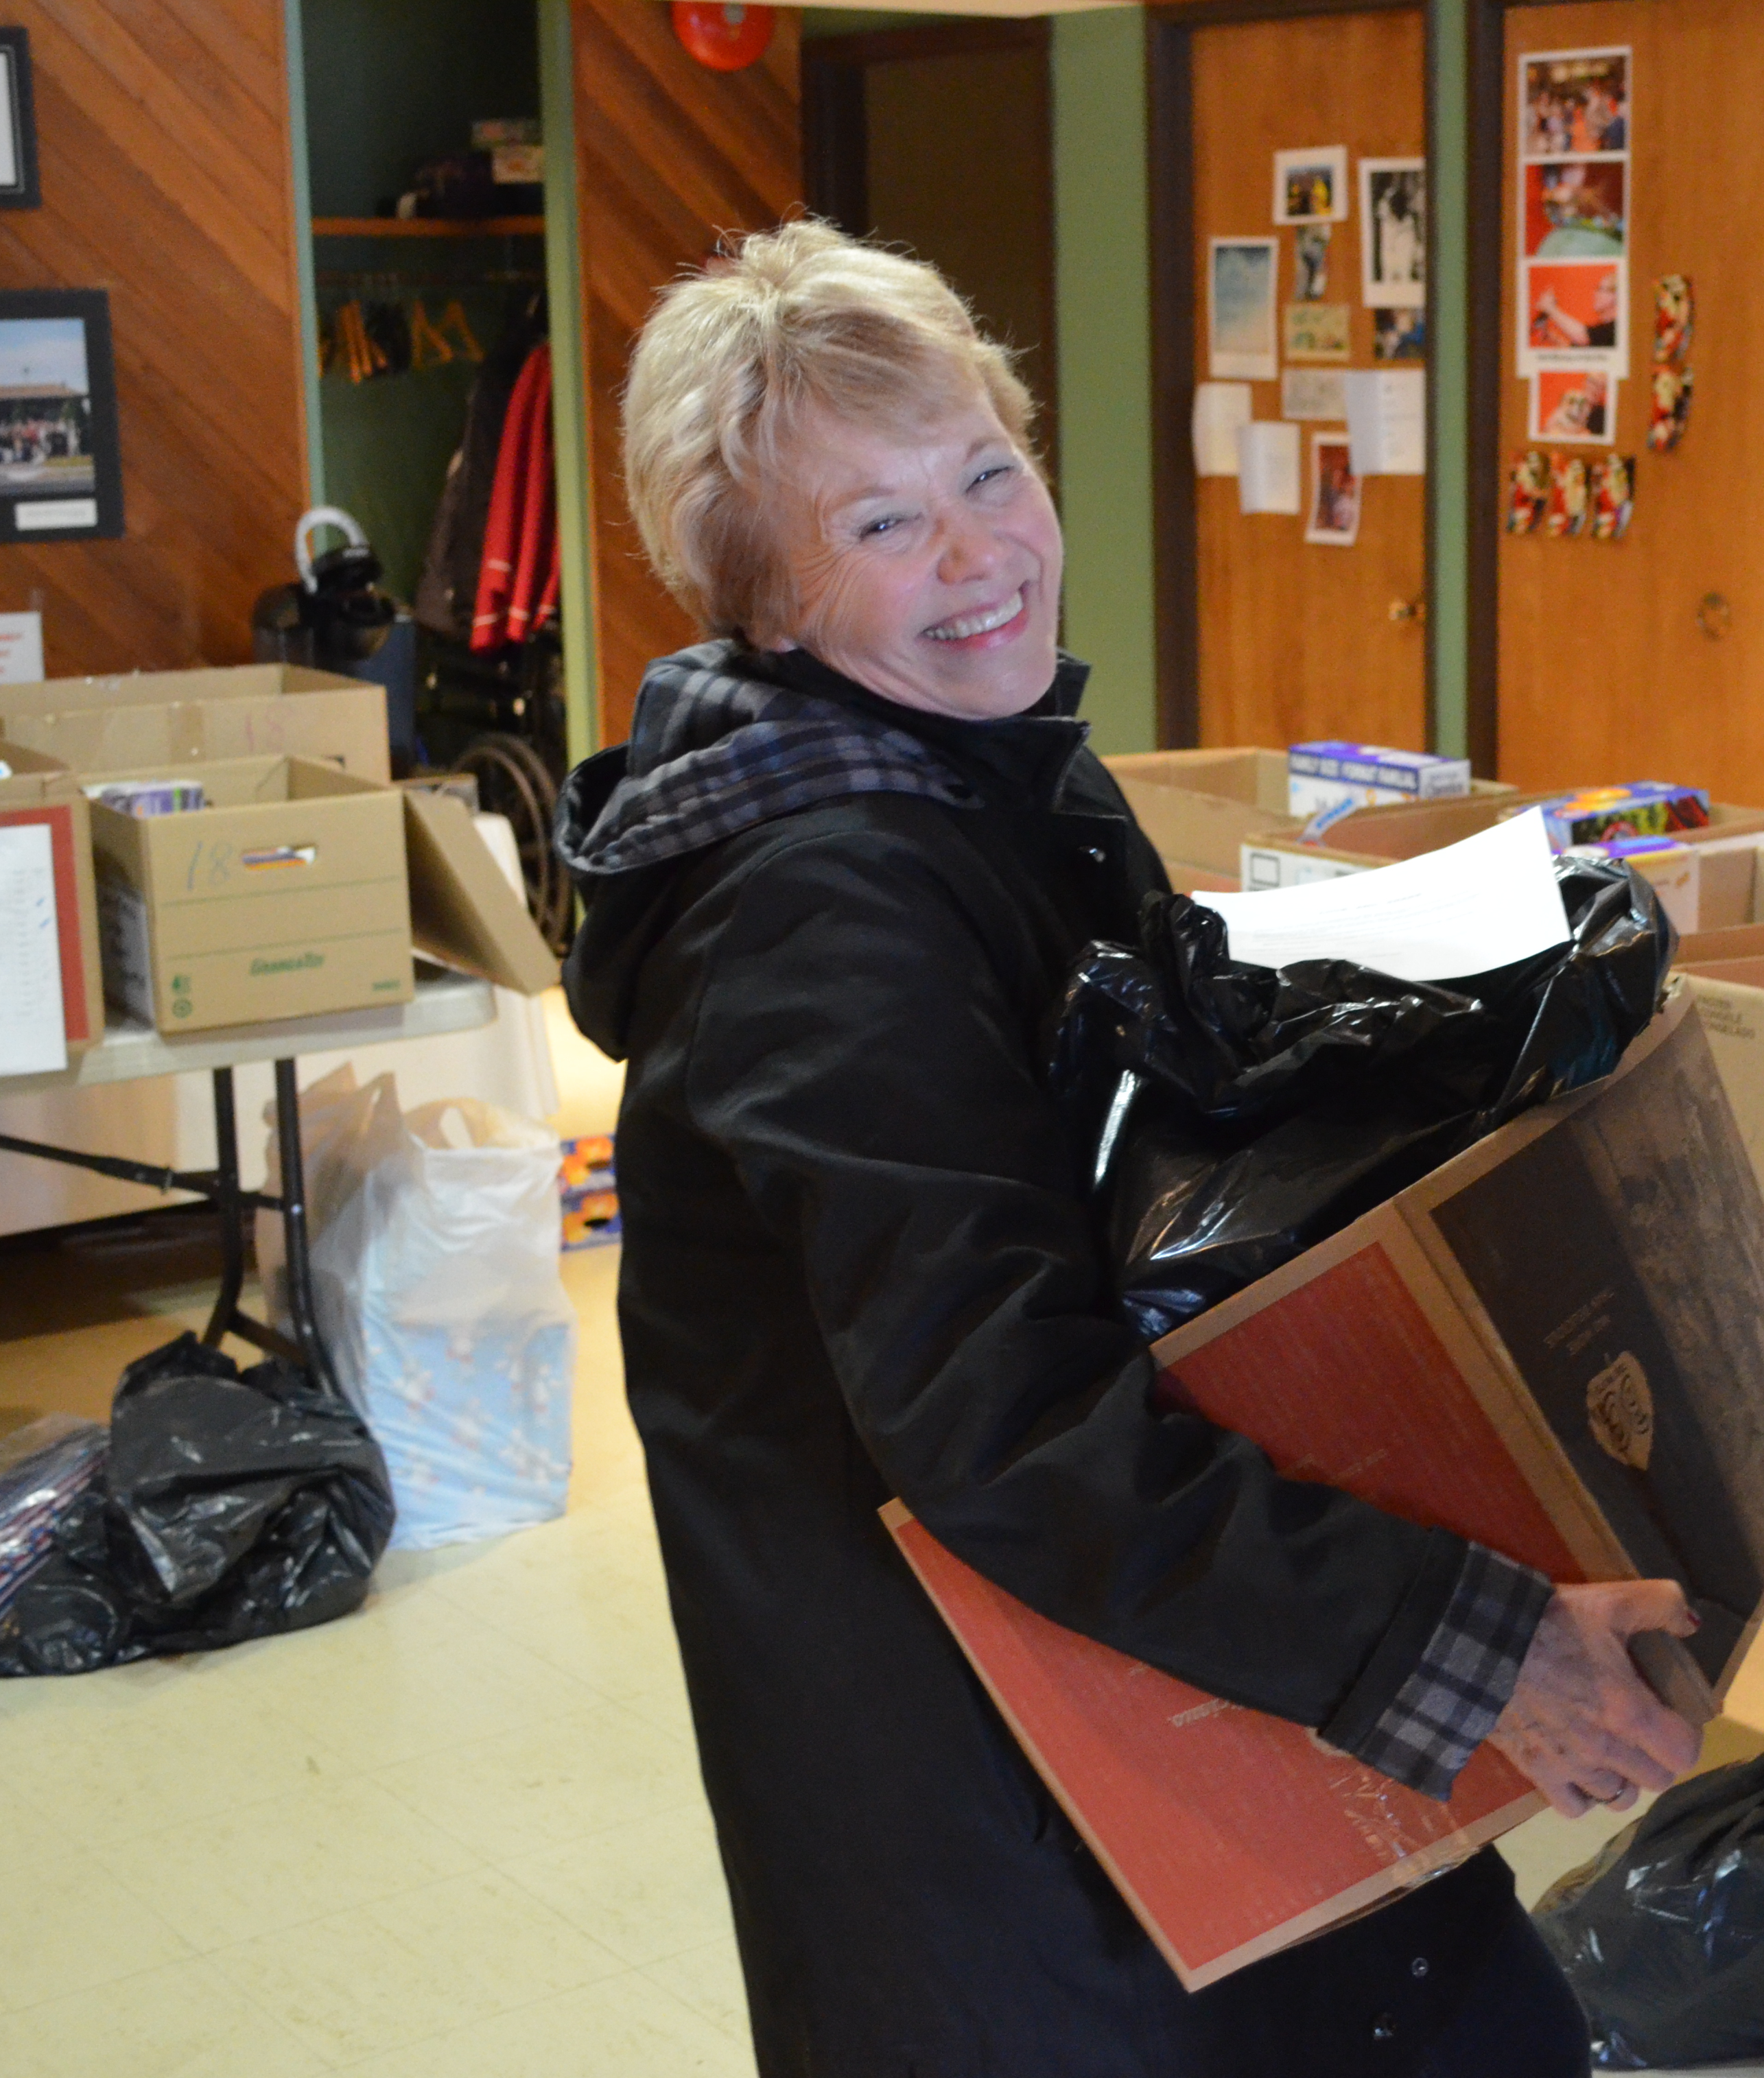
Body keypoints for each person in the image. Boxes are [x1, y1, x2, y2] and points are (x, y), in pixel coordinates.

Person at [554, 220, 1700, 2078]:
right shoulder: (825, 917)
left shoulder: (996, 784)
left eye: (987, 472)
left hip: (1164, 1709)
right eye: (879, 523)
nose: (980, 553)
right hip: (1009, 1812)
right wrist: (1467, 1641)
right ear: (762, 597)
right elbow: (1006, 1426)